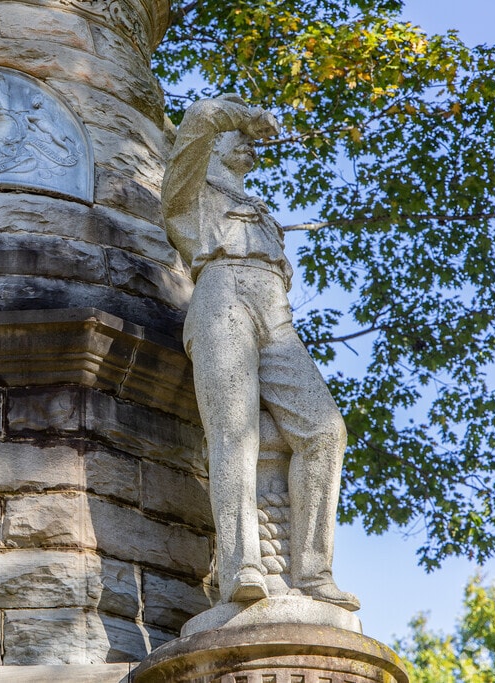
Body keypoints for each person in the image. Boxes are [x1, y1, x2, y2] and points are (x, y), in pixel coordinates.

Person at [162, 96, 359, 611]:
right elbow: (200, 120)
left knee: (324, 430)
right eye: (237, 138)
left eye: (248, 138)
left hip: (275, 309)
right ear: (212, 148)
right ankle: (242, 566)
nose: (247, 144)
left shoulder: (263, 211)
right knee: (234, 432)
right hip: (221, 296)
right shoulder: (190, 190)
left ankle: (314, 571)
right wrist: (241, 115)